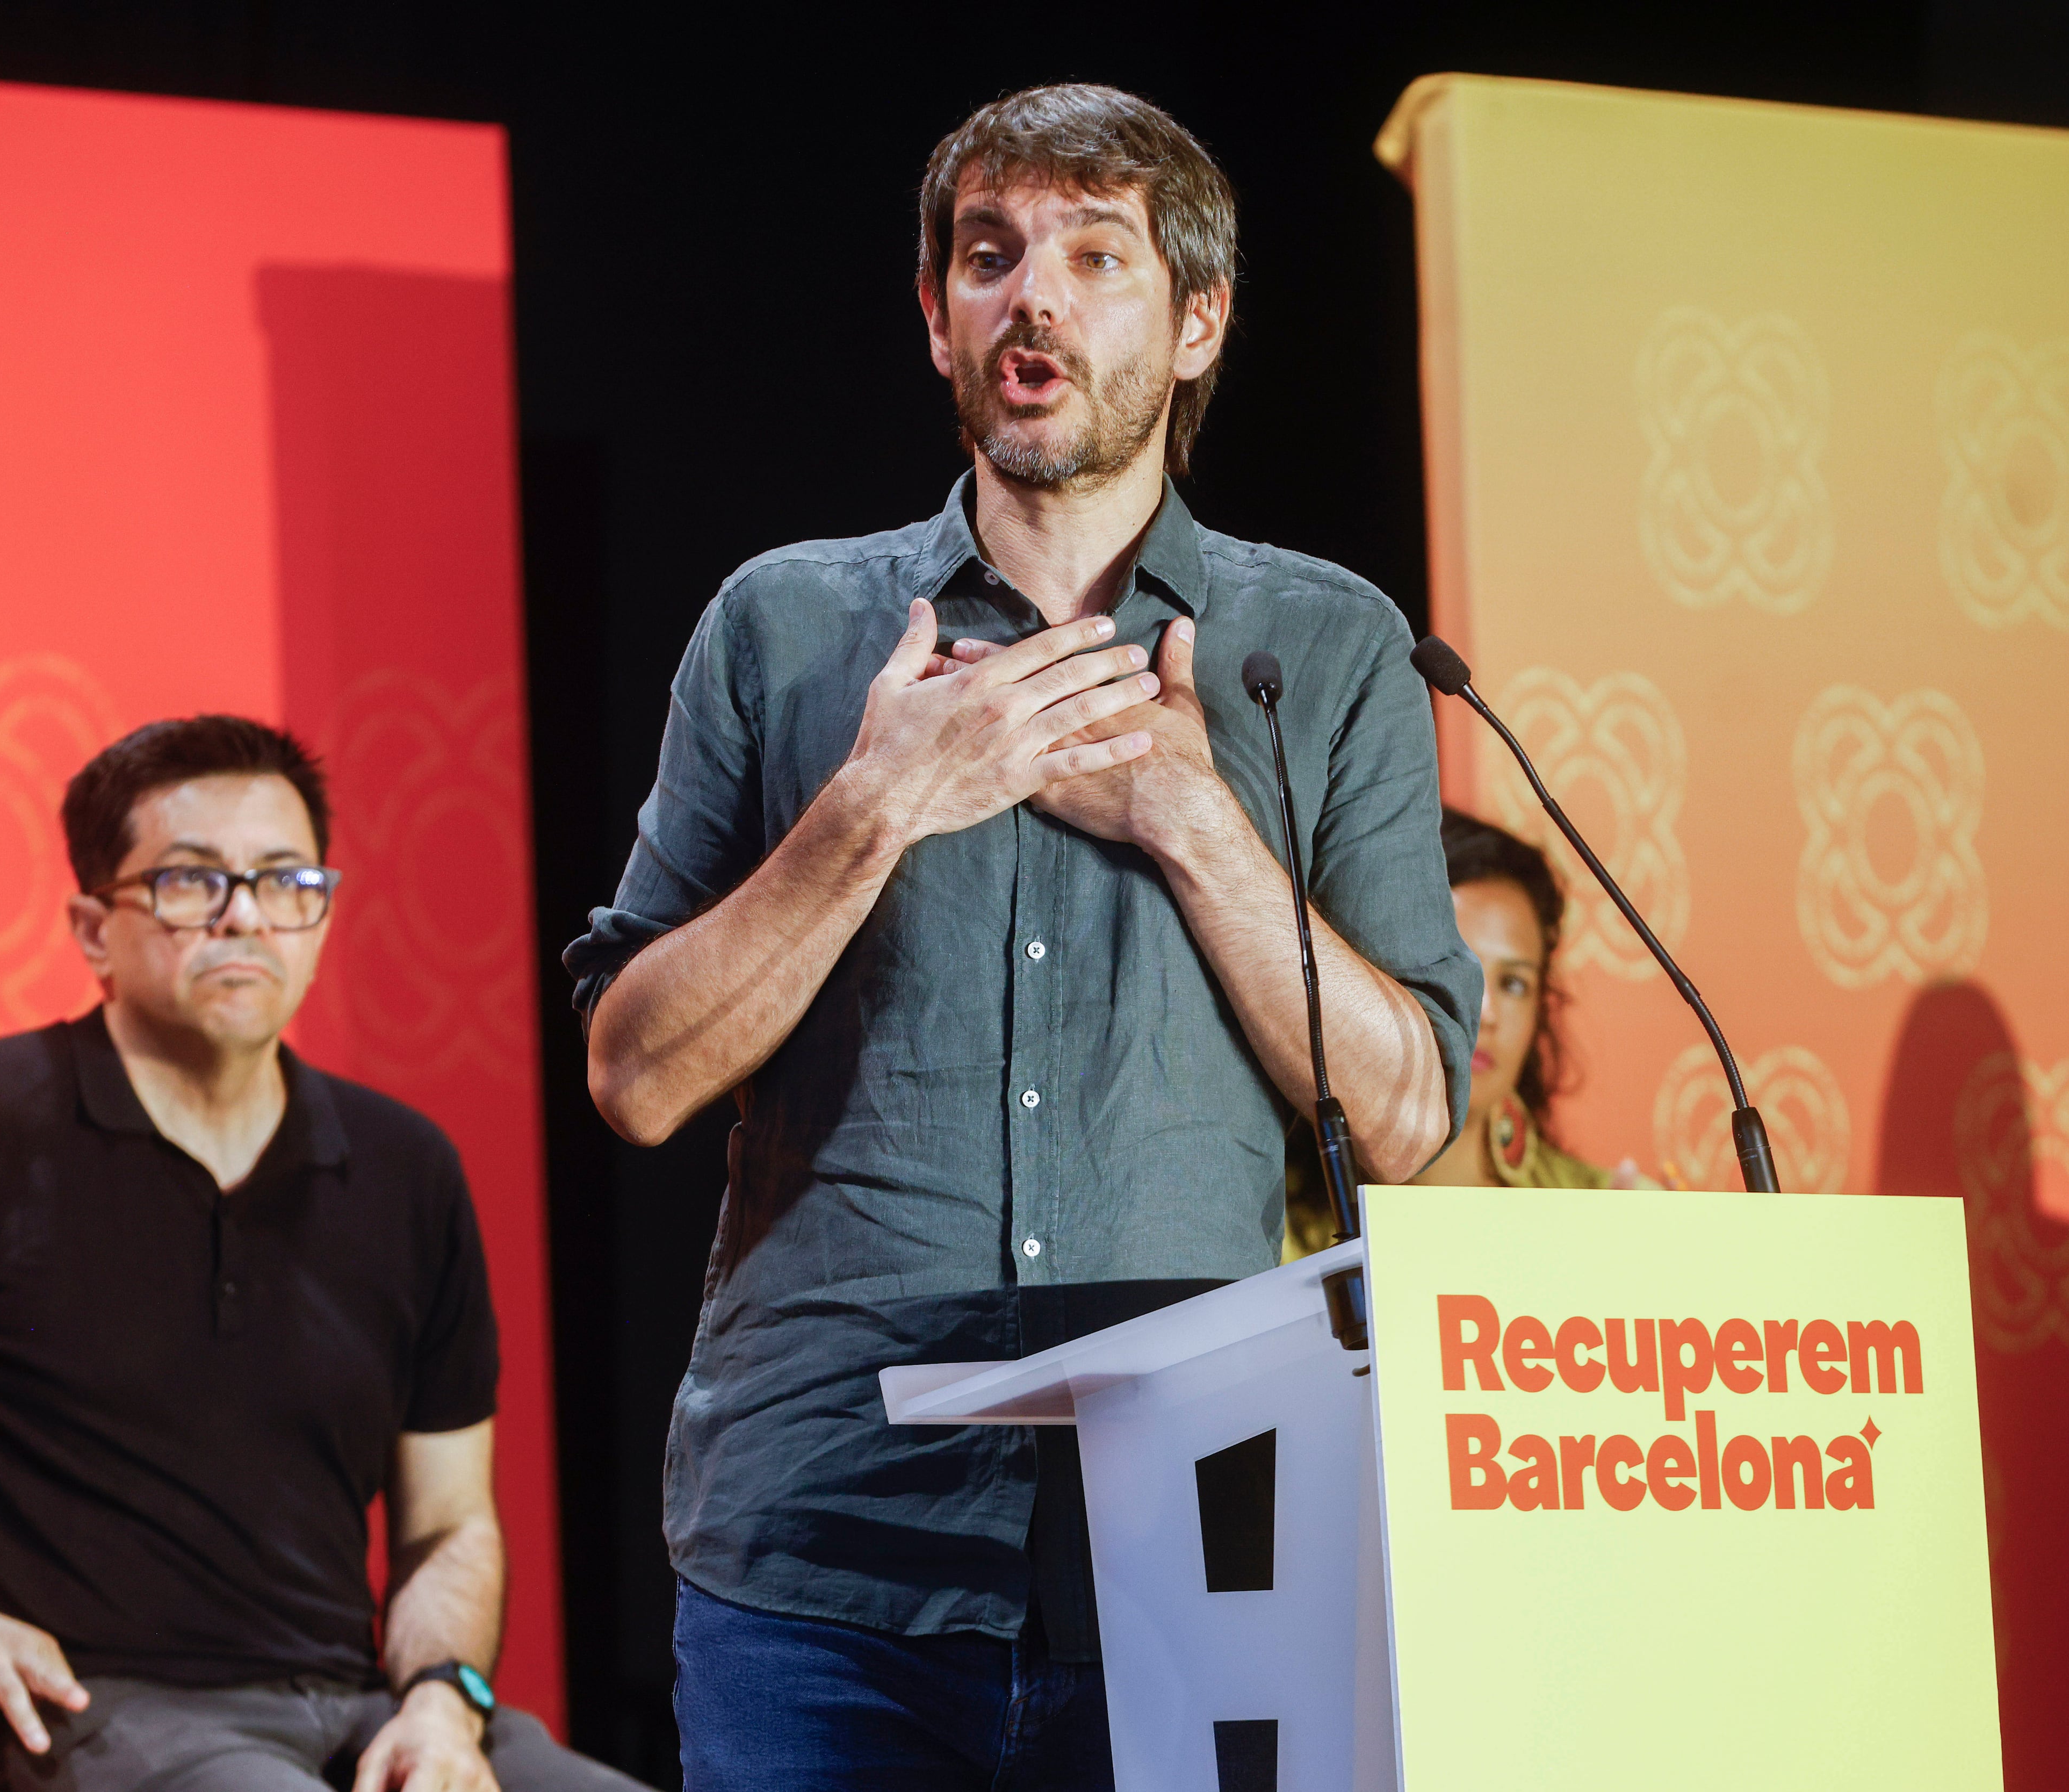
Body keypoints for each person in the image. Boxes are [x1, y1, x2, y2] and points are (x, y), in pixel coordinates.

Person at [565, 85, 1481, 1789]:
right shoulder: (787, 626)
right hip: (818, 1557)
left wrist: (1192, 817)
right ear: (935, 318)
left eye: (1091, 254)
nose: (1030, 297)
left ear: (1195, 321)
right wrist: (878, 802)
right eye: (986, 257)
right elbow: (630, 1069)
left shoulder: (1325, 643)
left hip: (1196, 1547)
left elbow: (1410, 1114)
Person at [0, 717, 640, 1792]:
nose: (244, 917)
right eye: (191, 882)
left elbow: (451, 1521)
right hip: (64, 1711)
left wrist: (441, 1702)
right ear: (94, 929)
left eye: (285, 880)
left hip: (345, 1706)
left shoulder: (404, 1166)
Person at [1407, 808, 1654, 1192]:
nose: (1485, 1013)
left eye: (1514, 984)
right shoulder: (1283, 1226)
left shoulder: (1604, 1208)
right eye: (1454, 970)